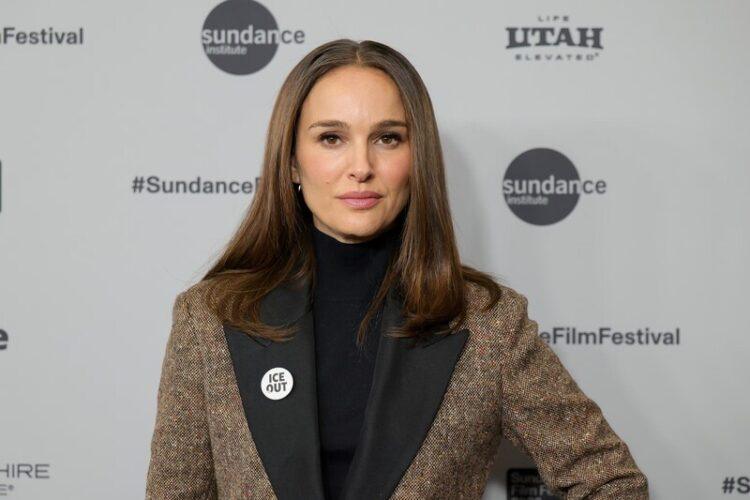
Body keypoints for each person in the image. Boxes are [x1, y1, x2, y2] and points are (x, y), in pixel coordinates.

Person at [145, 38, 649, 499]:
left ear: (417, 157)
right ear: (292, 162)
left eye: (387, 138)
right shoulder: (208, 318)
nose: (361, 166)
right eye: (331, 138)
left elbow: (612, 483)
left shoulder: (488, 325)